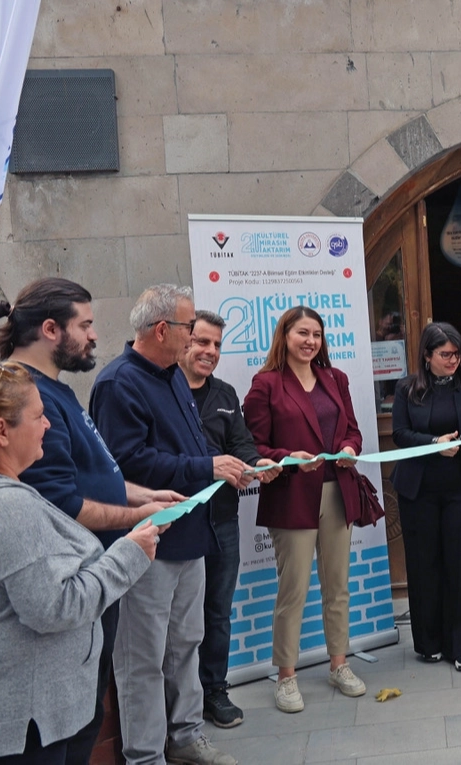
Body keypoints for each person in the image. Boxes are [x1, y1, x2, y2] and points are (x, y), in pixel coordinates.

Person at [0, 278, 183, 764]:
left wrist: (143, 494)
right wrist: (138, 516)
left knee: (89, 708)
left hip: (94, 573)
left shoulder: (55, 391)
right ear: (50, 329)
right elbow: (61, 499)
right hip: (72, 580)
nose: (95, 335)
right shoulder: (26, 395)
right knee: (75, 725)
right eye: (86, 325)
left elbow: (93, 473)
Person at [0, 358, 159, 765]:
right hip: (15, 728)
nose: (47, 425)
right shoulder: (6, 508)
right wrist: (129, 554)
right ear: (1, 431)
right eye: (38, 416)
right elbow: (53, 607)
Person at [90, 285, 249, 765]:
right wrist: (206, 467)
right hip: (149, 541)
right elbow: (126, 463)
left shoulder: (173, 375)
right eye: (189, 328)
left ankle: (185, 736)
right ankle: (144, 755)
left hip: (191, 534)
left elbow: (189, 444)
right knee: (142, 656)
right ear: (162, 330)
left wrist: (224, 464)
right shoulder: (118, 383)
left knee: (186, 644)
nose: (194, 337)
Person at [243, 306, 368, 713]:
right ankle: (286, 676)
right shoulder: (266, 384)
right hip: (292, 496)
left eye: (316, 334)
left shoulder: (336, 378)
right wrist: (287, 458)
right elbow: (253, 446)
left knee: (338, 586)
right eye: (302, 333)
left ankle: (339, 664)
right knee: (293, 589)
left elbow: (353, 430)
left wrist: (349, 447)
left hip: (337, 492)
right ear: (285, 335)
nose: (310, 341)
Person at [178, 311, 281, 729]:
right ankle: (178, 701)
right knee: (180, 619)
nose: (210, 352)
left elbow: (242, 444)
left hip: (222, 520)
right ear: (182, 341)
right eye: (202, 342)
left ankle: (214, 691)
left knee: (218, 611)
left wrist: (259, 464)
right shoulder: (164, 391)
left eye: (217, 345)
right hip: (177, 521)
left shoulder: (224, 393)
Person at [390, 322, 461, 672]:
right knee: (424, 565)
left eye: (458, 354)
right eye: (446, 354)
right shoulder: (406, 388)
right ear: (427, 355)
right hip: (419, 488)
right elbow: (400, 434)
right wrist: (433, 444)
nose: (453, 360)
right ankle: (429, 643)